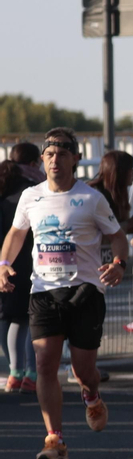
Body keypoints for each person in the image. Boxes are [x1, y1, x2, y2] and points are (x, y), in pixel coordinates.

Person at [0, 129, 129, 459]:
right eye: (49, 154)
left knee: (85, 370)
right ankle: (54, 439)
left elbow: (117, 237)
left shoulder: (91, 199)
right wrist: (3, 264)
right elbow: (17, 233)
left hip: (85, 293)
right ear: (42, 160)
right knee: (45, 364)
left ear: (75, 159)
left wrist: (119, 263)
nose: (55, 160)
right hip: (43, 291)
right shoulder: (31, 196)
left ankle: (91, 393)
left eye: (62, 154)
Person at [0, 160, 37, 393]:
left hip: (5, 265)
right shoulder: (30, 193)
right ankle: (31, 374)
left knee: (10, 319)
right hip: (29, 265)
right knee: (31, 320)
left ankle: (14, 372)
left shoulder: (2, 199)